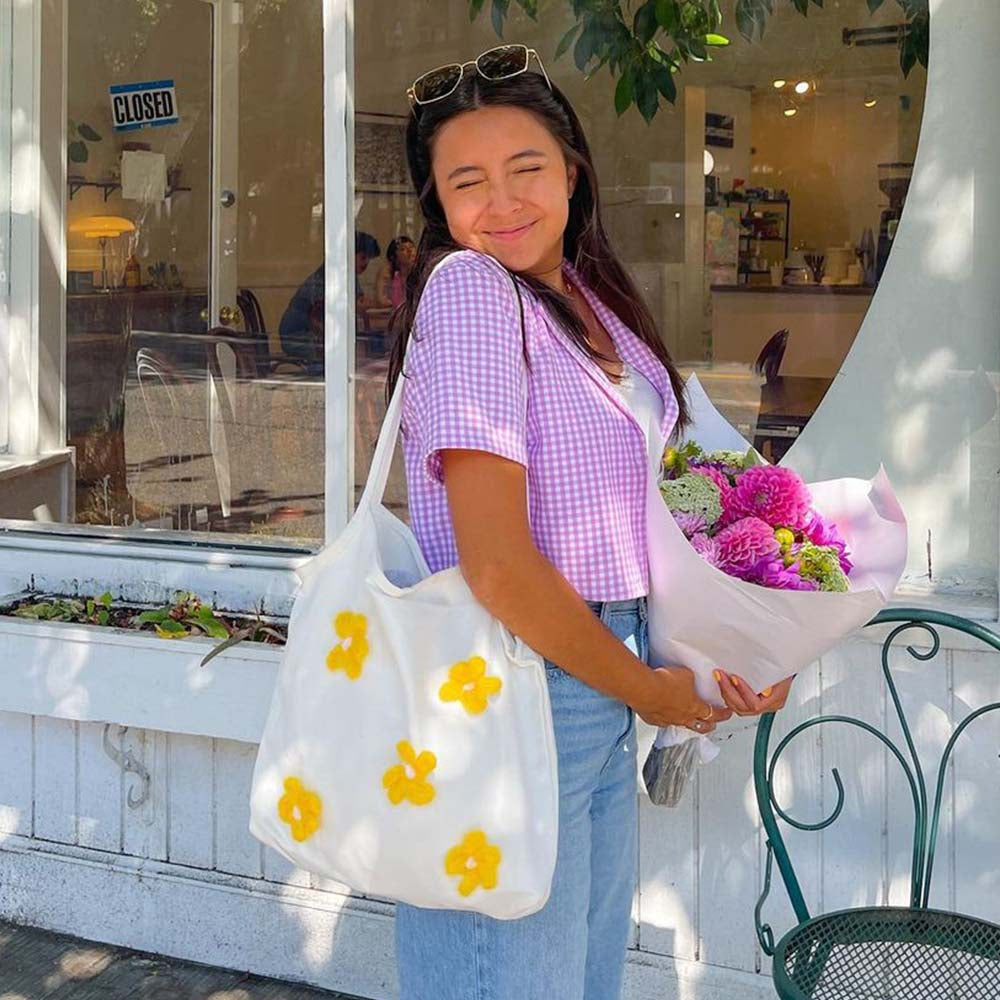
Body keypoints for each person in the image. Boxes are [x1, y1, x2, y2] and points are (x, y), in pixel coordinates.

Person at [385, 43, 794, 1000]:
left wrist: (732, 647)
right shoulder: (472, 289)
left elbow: (645, 516)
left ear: (571, 171)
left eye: (525, 167)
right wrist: (646, 689)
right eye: (467, 182)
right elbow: (497, 565)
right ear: (439, 204)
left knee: (574, 978)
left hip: (601, 669)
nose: (502, 201)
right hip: (520, 676)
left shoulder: (588, 298)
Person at [277, 230, 381, 366]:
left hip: (318, 335)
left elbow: (358, 301)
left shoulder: (348, 274)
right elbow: (350, 306)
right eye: (363, 257)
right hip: (299, 337)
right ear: (348, 254)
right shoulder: (327, 277)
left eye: (368, 259)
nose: (366, 263)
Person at [375, 235, 416, 309]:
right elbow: (382, 299)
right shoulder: (388, 273)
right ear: (394, 256)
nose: (409, 251)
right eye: (403, 249)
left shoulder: (419, 272)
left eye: (411, 247)